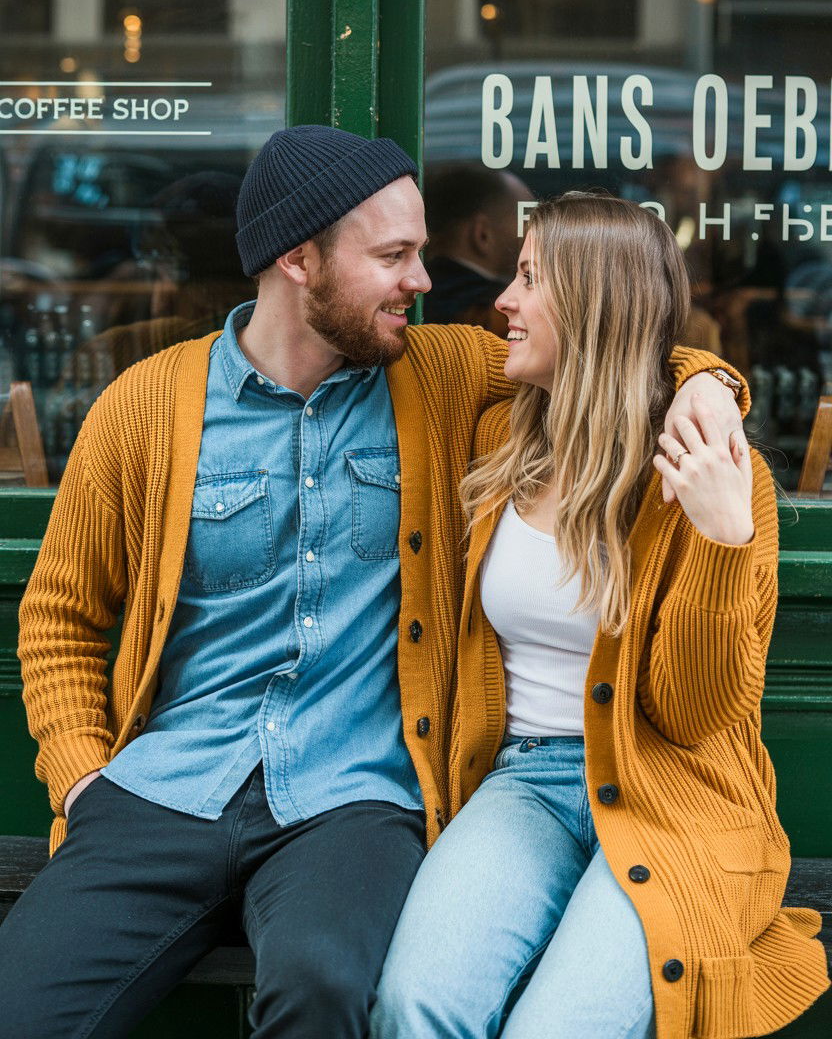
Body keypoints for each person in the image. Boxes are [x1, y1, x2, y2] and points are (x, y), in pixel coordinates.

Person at [4, 133, 745, 1039]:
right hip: (166, 790)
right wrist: (81, 777)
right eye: (393, 256)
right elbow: (59, 617)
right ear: (298, 259)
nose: (425, 280)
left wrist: (712, 384)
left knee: (332, 991)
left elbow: (612, 345)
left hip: (349, 802)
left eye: (420, 251)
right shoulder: (148, 407)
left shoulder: (437, 378)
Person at [371, 193, 829, 1039]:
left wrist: (722, 542)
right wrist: (713, 378)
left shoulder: (711, 473)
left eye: (530, 279)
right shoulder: (498, 430)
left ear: (594, 307)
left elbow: (695, 716)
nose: (502, 300)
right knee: (414, 1005)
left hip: (671, 789)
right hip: (524, 781)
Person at [422, 162, 530, 333]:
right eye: (525, 221)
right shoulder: (498, 313)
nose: (532, 232)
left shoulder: (420, 295)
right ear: (482, 234)